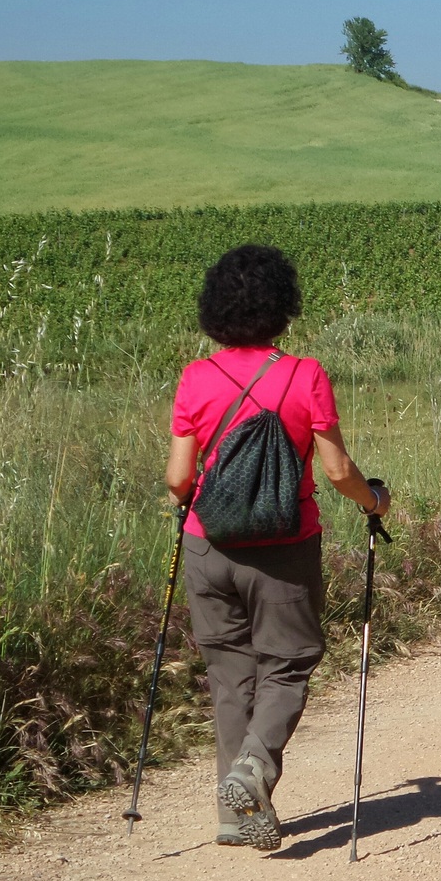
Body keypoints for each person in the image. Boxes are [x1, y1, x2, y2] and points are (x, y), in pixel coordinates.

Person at [164, 244, 391, 850]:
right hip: (286, 546)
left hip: (208, 548)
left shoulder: (196, 378)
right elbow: (338, 469)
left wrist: (193, 496)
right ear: (282, 308)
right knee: (287, 663)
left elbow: (178, 479)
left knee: (230, 673)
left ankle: (233, 816)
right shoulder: (304, 374)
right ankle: (255, 768)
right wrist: (374, 502)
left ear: (216, 309)